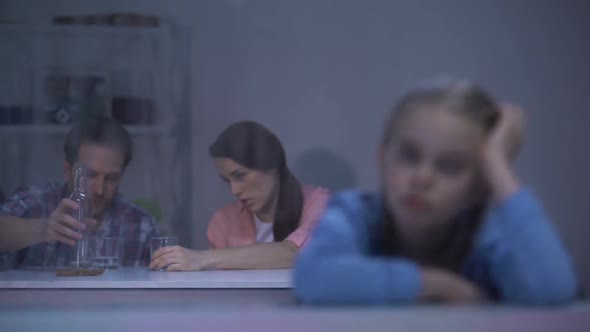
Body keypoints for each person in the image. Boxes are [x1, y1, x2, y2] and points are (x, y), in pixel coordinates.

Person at [293, 78, 578, 305]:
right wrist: (440, 286)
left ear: (478, 188)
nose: (423, 177)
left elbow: (552, 290)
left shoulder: (486, 235)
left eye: (450, 166)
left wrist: (497, 163)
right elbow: (311, 276)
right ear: (383, 158)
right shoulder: (355, 213)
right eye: (409, 155)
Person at [150, 121, 329, 271]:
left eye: (240, 175)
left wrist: (201, 259)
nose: (234, 191)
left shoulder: (318, 203)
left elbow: (295, 253)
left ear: (272, 164)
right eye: (227, 181)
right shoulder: (223, 222)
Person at [0, 116, 160, 268]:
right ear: (67, 171)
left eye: (111, 178)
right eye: (89, 175)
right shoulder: (36, 203)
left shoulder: (140, 225)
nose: (99, 190)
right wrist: (43, 229)